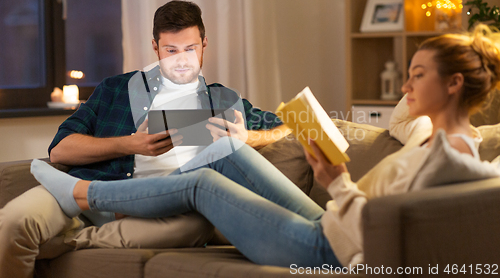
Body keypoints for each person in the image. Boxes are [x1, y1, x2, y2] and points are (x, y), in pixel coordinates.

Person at [31, 25, 500, 268]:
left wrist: (338, 184)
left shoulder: (450, 157)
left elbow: (380, 230)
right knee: (224, 151)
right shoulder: (447, 140)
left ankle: (83, 195)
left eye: (418, 75)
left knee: (203, 185)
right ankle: (90, 193)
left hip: (327, 249)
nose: (406, 84)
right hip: (334, 224)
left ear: (455, 83)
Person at [0, 0, 291, 278]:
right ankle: (68, 229)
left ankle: (66, 243)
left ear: (204, 44)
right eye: (170, 50)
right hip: (80, 192)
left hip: (155, 213)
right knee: (13, 223)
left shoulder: (221, 101)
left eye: (190, 48)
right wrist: (130, 144)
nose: (181, 60)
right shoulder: (115, 89)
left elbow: (286, 125)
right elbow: (60, 151)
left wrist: (247, 137)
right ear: (155, 48)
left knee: (195, 225)